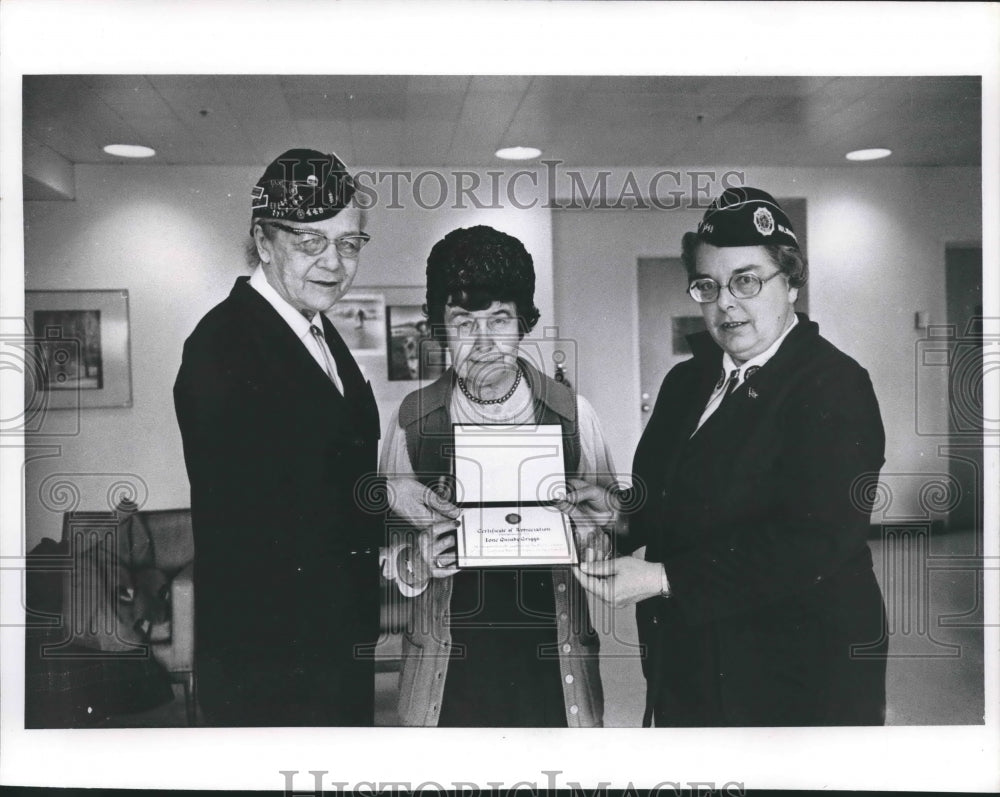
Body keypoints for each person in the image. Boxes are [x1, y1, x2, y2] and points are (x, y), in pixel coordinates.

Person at [573, 187, 888, 726]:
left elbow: (815, 540)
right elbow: (678, 493)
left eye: (747, 280)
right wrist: (621, 512)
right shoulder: (685, 382)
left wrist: (663, 579)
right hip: (693, 657)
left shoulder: (834, 385)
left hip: (797, 670)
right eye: (708, 285)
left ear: (791, 282)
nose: (725, 303)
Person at [173, 148, 381, 726]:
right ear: (264, 242)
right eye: (311, 241)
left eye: (349, 243)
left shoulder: (317, 331)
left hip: (332, 640)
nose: (333, 263)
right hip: (270, 663)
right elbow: (265, 518)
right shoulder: (224, 345)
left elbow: (329, 467)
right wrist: (390, 507)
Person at [379, 225, 616, 727]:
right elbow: (383, 554)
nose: (484, 342)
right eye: (464, 322)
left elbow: (615, 530)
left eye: (500, 319)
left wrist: (596, 539)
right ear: (440, 328)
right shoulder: (412, 421)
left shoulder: (574, 415)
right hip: (448, 675)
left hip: (554, 666)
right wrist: (415, 562)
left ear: (524, 323)